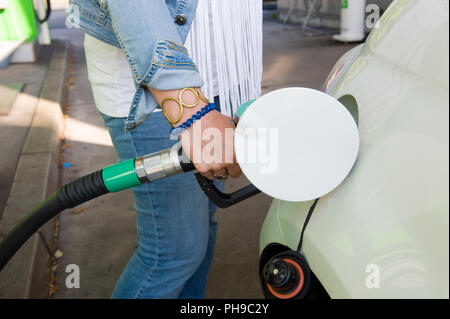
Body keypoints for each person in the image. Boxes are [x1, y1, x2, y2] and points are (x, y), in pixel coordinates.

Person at [69, 0, 262, 298]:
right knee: (172, 255)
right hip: (158, 96)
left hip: (223, 78)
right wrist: (193, 113)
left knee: (200, 235)